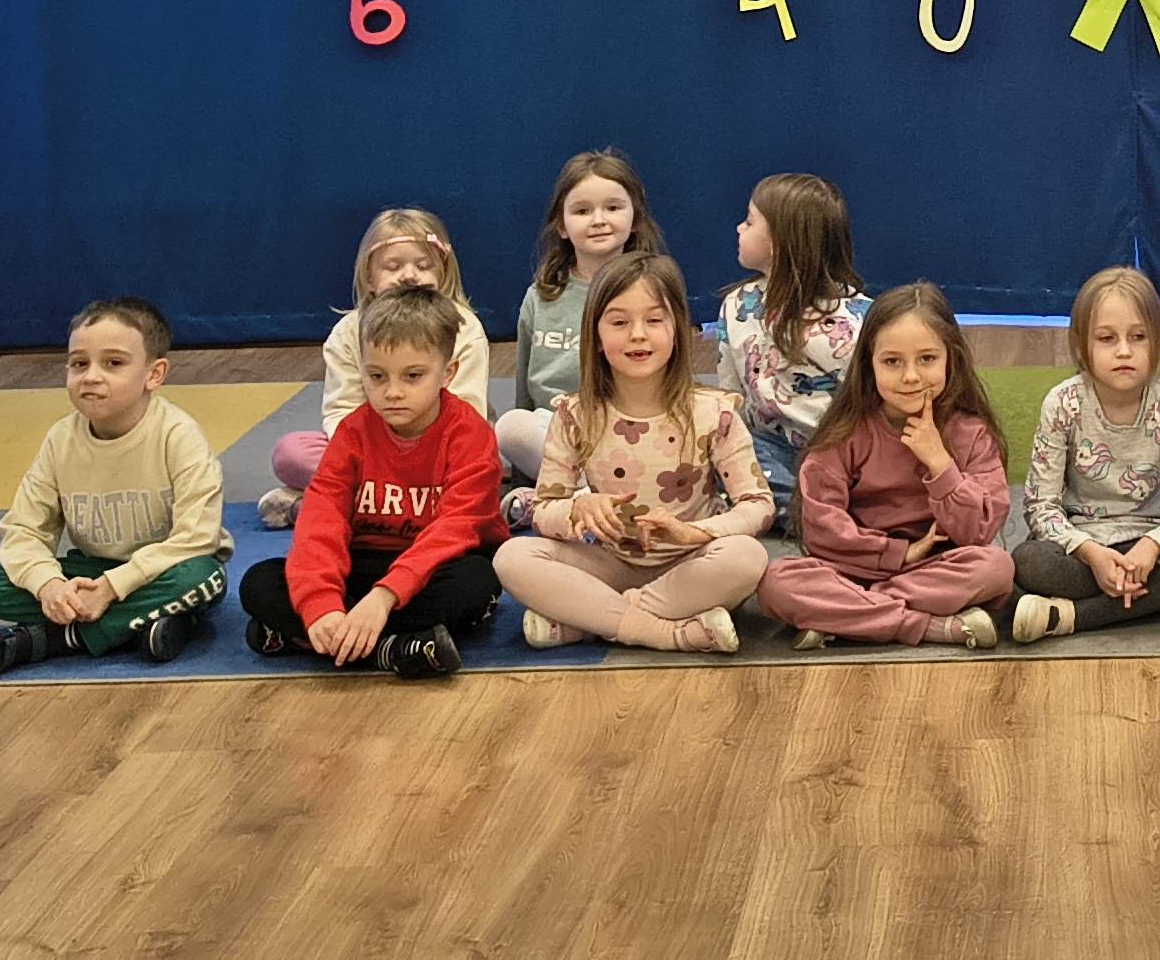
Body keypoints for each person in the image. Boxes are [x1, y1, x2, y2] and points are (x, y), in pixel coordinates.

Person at [494, 253, 771, 655]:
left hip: (690, 563)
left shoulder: (716, 412)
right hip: (607, 564)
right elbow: (544, 510)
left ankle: (588, 623)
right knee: (512, 557)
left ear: (677, 329)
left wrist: (699, 533)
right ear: (596, 336)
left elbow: (757, 505)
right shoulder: (574, 414)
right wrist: (578, 508)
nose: (638, 335)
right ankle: (667, 632)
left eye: (654, 320)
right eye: (619, 323)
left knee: (746, 557)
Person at [243, 287, 503, 678]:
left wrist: (384, 598)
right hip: (364, 562)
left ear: (447, 373)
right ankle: (393, 649)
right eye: (377, 376)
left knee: (478, 583)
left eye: (413, 376)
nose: (393, 392)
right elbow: (321, 523)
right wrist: (321, 607)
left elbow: (456, 529)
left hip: (436, 566)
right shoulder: (353, 433)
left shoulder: (471, 435)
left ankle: (304, 639)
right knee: (259, 581)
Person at [0, 297, 233, 670]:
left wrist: (113, 588)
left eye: (113, 363)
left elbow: (197, 540)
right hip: (91, 572)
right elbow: (24, 531)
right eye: (79, 364)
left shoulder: (179, 435)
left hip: (163, 572)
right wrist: (50, 587)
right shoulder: (60, 440)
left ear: (154, 374)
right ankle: (142, 625)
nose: (91, 376)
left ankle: (57, 641)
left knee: (204, 578)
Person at [754, 284, 1017, 650]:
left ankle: (850, 616)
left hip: (934, 570)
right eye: (892, 362)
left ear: (950, 359)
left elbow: (979, 532)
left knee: (996, 568)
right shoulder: (846, 432)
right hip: (851, 569)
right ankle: (928, 626)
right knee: (777, 582)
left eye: (927, 359)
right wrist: (897, 553)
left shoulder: (970, 433)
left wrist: (939, 462)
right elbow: (821, 526)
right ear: (870, 364)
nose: (910, 376)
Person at [1009, 266, 1160, 639]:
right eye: (1106, 338)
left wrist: (1153, 547)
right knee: (1027, 563)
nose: (1123, 351)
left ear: (1158, 342)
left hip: (1155, 544)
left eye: (1138, 337)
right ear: (1082, 344)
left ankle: (1069, 617)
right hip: (1084, 547)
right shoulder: (1063, 403)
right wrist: (1090, 553)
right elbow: (1040, 507)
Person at [260, 209, 491, 528]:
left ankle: (332, 506)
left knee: (478, 464)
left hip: (437, 454)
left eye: (423, 265)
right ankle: (392, 505)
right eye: (393, 267)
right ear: (369, 277)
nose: (409, 275)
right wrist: (373, 456)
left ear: (443, 271)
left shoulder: (464, 328)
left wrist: (416, 455)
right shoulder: (347, 332)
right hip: (371, 453)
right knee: (292, 453)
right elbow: (341, 410)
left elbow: (470, 413)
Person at [719, 171, 869, 530]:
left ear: (779, 242)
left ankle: (826, 514)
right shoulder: (736, 305)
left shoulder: (857, 321)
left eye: (749, 221)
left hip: (841, 456)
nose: (739, 228)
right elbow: (730, 395)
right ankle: (822, 516)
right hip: (769, 450)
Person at [502, 150, 657, 486]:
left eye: (613, 208)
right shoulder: (541, 296)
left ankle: (597, 492)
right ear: (561, 225)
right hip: (556, 431)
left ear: (635, 218)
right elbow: (524, 391)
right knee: (512, 426)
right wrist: (522, 480)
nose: (598, 220)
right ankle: (586, 492)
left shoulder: (651, 291)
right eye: (582, 211)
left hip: (626, 431)